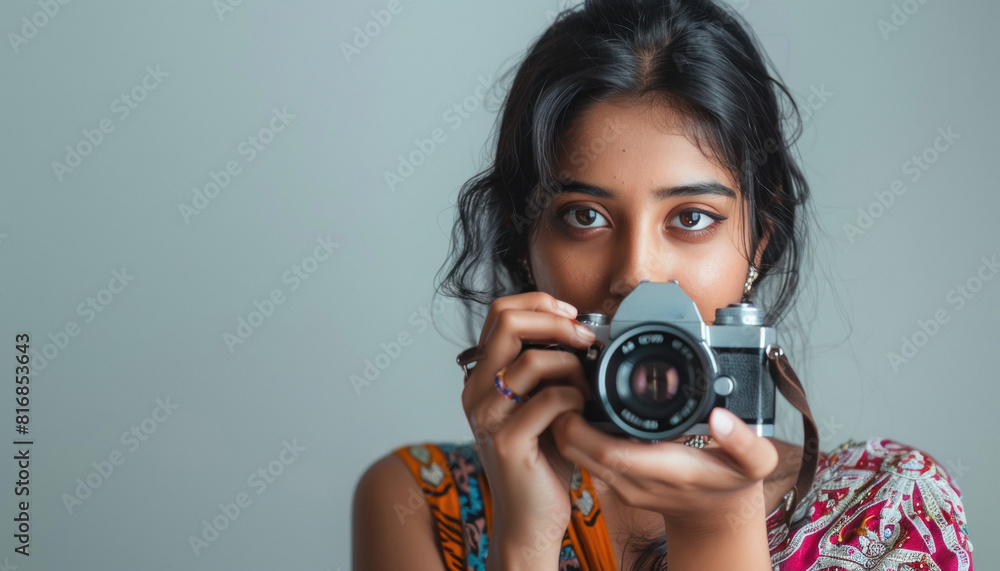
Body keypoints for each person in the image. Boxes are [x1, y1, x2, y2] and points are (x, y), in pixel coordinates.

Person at [352, 0, 973, 569]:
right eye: (585, 217)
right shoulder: (423, 505)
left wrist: (720, 526)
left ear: (758, 240)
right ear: (524, 239)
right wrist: (525, 540)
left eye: (692, 218)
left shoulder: (890, 512)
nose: (637, 274)